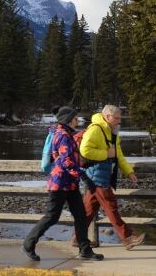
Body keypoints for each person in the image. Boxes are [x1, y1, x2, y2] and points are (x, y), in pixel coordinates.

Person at [22, 106, 104, 262]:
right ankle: (28, 244)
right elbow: (66, 162)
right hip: (59, 183)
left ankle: (85, 250)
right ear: (68, 120)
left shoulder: (66, 134)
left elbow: (70, 159)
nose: (78, 120)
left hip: (70, 183)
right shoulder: (63, 135)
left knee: (81, 216)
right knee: (52, 217)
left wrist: (84, 165)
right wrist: (85, 177)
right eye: (75, 118)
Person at [72, 104, 146, 250]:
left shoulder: (112, 131)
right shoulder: (95, 129)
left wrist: (129, 172)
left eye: (120, 118)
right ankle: (128, 237)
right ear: (107, 117)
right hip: (96, 177)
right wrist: (106, 154)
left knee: (88, 210)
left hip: (101, 176)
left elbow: (118, 155)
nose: (119, 121)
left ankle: (78, 238)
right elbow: (85, 151)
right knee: (111, 206)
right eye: (117, 118)